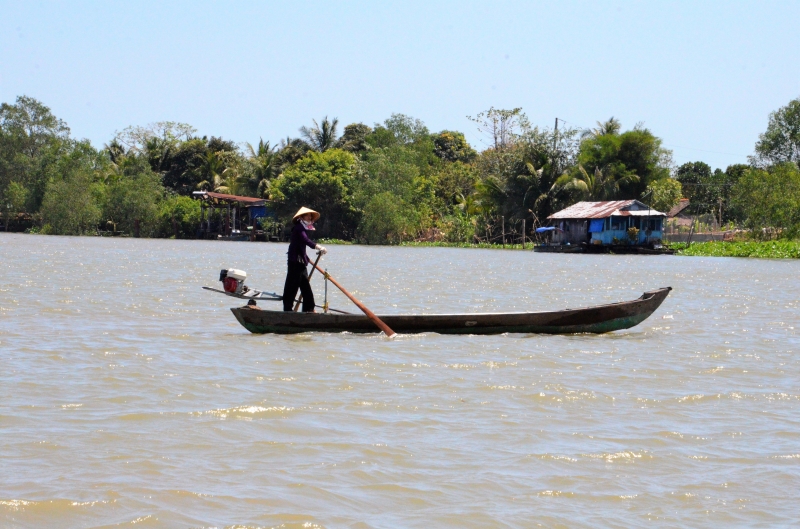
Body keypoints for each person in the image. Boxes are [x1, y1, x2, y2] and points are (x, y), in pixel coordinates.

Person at [282, 207, 327, 312]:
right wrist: (317, 246)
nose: (310, 217)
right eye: (307, 215)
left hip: (301, 263)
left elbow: (300, 246)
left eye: (310, 216)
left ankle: (309, 310)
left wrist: (306, 257)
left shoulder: (302, 228)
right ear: (301, 217)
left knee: (306, 288)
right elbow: (305, 240)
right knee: (291, 287)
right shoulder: (298, 228)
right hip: (295, 263)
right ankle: (288, 311)